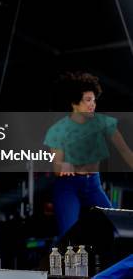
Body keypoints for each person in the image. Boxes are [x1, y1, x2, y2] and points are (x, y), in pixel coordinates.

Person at [44, 72, 133, 237]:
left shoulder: (103, 123)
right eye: (88, 100)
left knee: (117, 230)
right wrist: (63, 165)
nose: (93, 104)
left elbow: (124, 151)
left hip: (93, 185)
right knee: (68, 235)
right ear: (74, 103)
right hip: (68, 187)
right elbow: (57, 167)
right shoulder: (57, 130)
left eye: (94, 100)